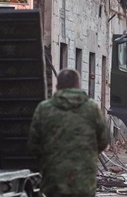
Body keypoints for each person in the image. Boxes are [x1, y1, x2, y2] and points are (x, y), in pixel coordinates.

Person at [28, 68, 109, 197]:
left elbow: (33, 144)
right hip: (84, 180)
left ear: (57, 86)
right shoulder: (92, 108)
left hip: (53, 180)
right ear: (78, 85)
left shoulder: (44, 109)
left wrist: (49, 158)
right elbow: (104, 140)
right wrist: (87, 154)